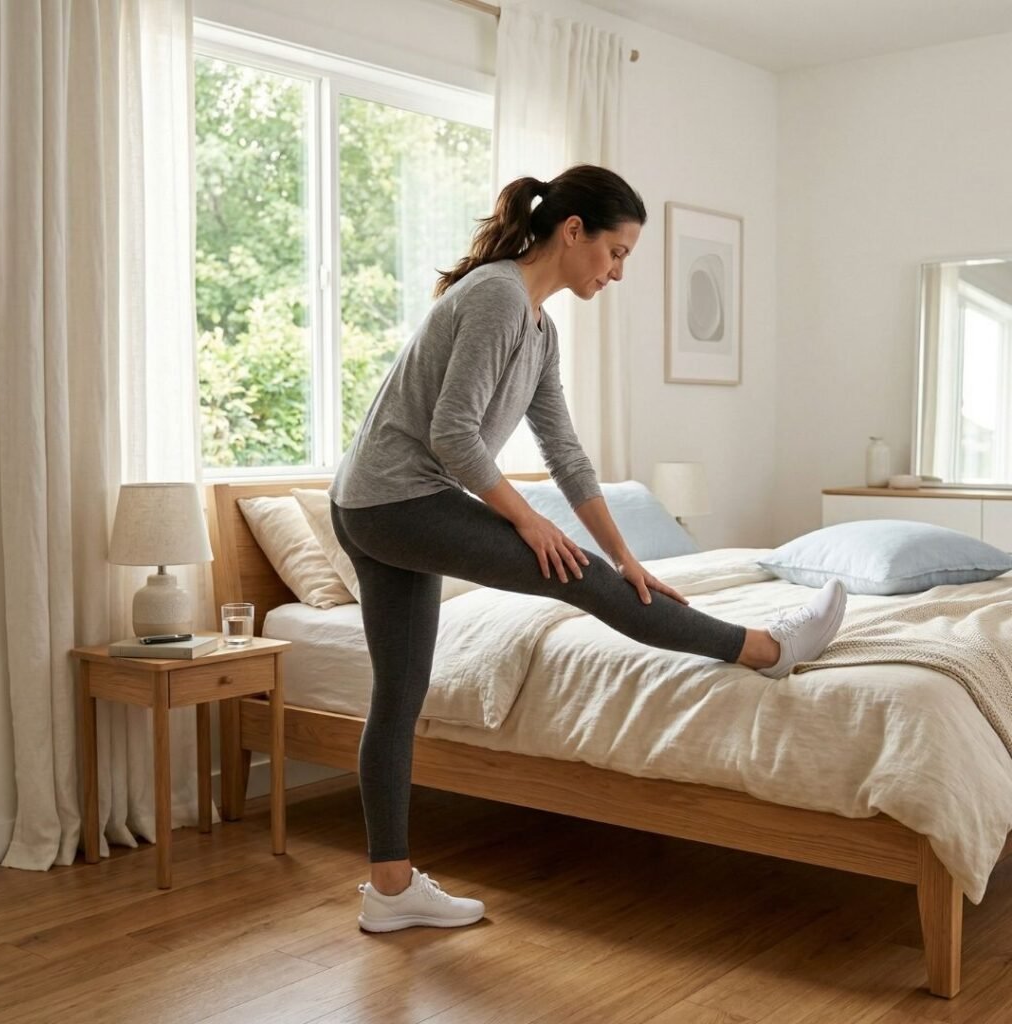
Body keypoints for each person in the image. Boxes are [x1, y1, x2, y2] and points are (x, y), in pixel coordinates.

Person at [329, 164, 846, 934]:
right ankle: (765, 648)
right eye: (617, 251)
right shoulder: (498, 295)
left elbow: (565, 454)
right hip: (394, 501)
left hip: (379, 503)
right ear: (573, 232)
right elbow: (452, 435)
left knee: (402, 697)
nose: (618, 271)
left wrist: (630, 556)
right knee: (579, 580)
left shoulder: (539, 327)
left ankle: (390, 890)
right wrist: (530, 524)